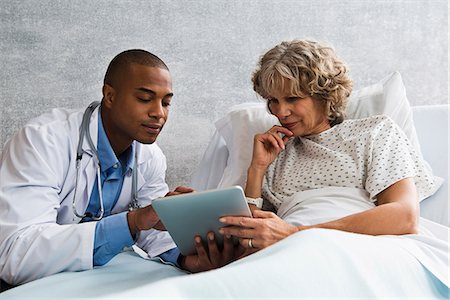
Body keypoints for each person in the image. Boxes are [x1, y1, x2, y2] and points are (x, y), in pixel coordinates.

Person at [0, 49, 232, 286]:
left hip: (94, 283)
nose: (159, 113)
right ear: (109, 96)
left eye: (166, 102)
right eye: (144, 99)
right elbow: (14, 255)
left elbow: (151, 232)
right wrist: (131, 222)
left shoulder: (150, 157)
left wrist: (186, 258)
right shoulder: (41, 142)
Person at [219, 39, 441, 253]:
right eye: (273, 101)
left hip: (358, 248)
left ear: (324, 95)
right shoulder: (274, 155)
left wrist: (295, 234)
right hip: (286, 254)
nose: (280, 112)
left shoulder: (374, 132)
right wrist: (257, 169)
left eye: (293, 99)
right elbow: (252, 238)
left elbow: (404, 217)